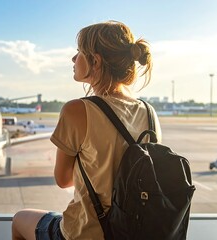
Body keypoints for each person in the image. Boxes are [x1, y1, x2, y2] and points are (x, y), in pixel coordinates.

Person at [11, 20, 162, 240]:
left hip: (85, 233)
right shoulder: (150, 113)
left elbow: (62, 179)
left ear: (95, 61)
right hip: (133, 232)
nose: (73, 59)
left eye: (79, 52)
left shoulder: (77, 110)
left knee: (19, 219)